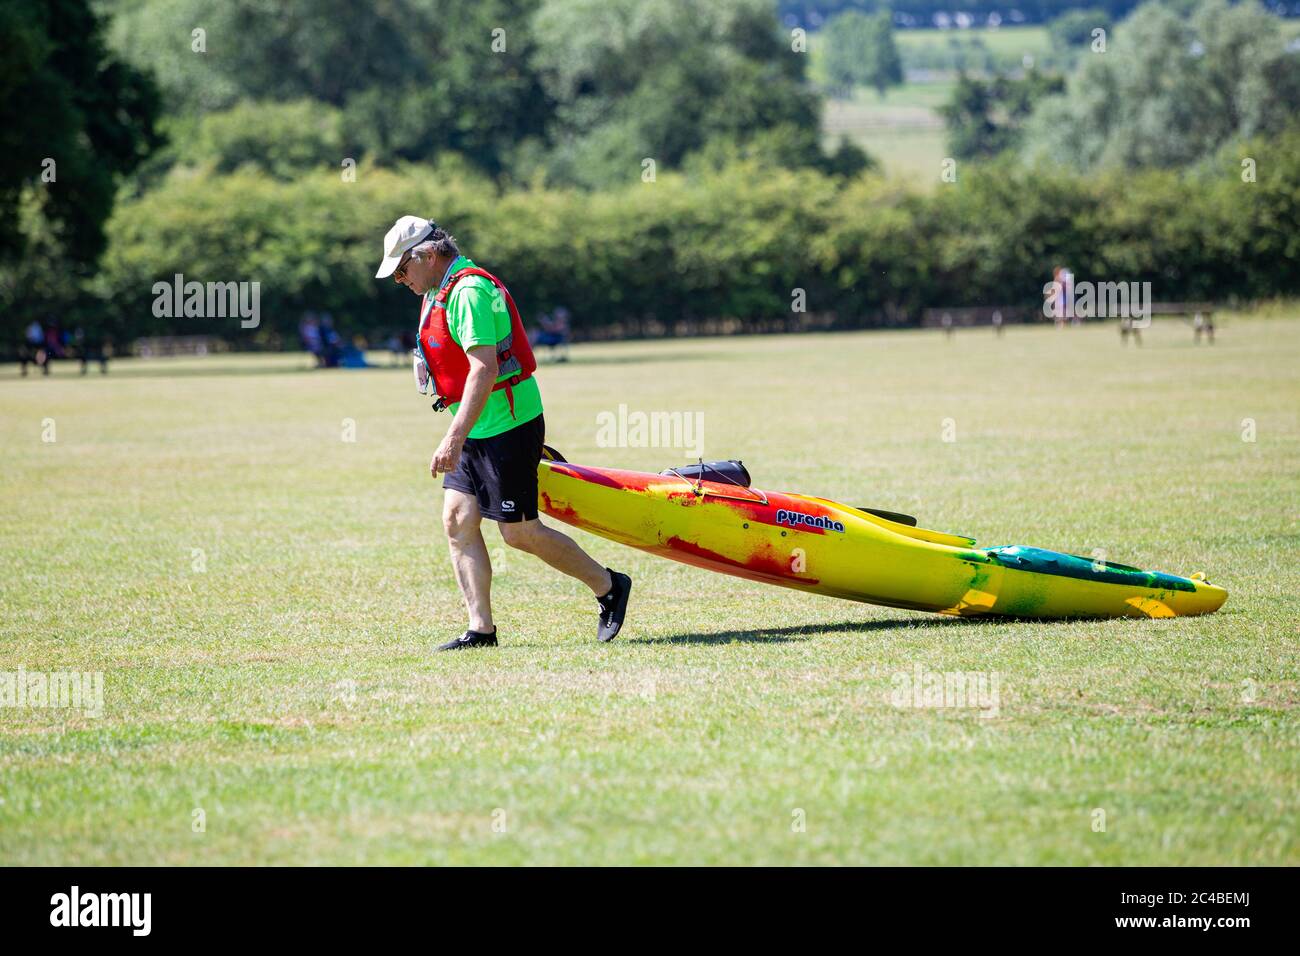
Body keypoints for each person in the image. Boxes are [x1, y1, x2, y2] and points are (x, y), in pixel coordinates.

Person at [375, 215, 632, 651]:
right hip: (477, 425)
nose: (400, 279)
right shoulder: (439, 289)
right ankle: (481, 630)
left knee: (520, 532)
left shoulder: (470, 292)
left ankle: (609, 586)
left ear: (429, 255)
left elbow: (484, 368)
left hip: (508, 426)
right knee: (457, 520)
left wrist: (453, 437)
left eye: (402, 269)